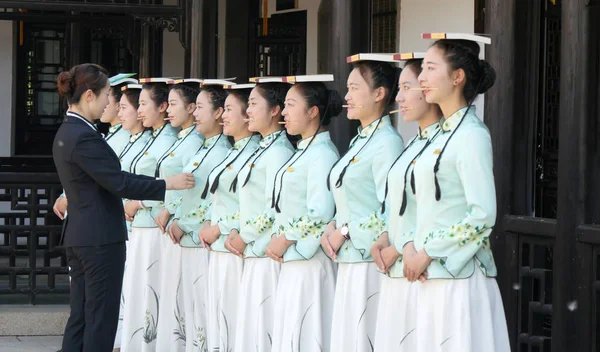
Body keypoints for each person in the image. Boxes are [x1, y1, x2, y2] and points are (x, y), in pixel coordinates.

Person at [52, 63, 194, 352]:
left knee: (81, 317)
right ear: (89, 95)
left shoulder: (69, 131)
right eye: (106, 94)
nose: (110, 103)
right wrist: (166, 184)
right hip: (99, 239)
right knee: (99, 320)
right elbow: (118, 183)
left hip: (81, 235)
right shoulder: (84, 136)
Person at [405, 34, 510, 351]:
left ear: (458, 77)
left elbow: (482, 215)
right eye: (421, 69)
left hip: (458, 280)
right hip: (430, 276)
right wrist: (411, 246)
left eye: (430, 68)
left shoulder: (472, 136)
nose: (421, 78)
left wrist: (428, 252)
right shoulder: (436, 136)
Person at [322, 57, 404, 352]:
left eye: (355, 88)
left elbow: (389, 209)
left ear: (379, 94)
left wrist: (343, 231)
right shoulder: (361, 140)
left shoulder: (387, 142)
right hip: (349, 261)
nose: (346, 96)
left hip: (369, 262)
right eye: (347, 88)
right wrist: (332, 224)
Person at [368, 54, 443, 351]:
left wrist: (404, 246)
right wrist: (386, 236)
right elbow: (400, 204)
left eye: (407, 87)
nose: (399, 98)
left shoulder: (445, 142)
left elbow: (443, 210)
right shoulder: (415, 142)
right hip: (399, 261)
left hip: (420, 262)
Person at [266, 77, 342, 352]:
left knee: (307, 335)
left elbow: (320, 213)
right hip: (293, 259)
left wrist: (286, 238)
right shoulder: (304, 149)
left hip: (309, 261)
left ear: (313, 112)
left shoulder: (322, 154)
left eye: (290, 105)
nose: (284, 112)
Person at [224, 81, 294, 352]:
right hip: (252, 251)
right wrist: (234, 229)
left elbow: (273, 207)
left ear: (274, 110)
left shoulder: (278, 152)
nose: (248, 111)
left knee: (264, 328)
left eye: (254, 104)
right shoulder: (263, 148)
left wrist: (245, 235)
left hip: (266, 253)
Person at [167, 82, 231, 352]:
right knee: (190, 309)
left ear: (218, 113)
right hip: (188, 240)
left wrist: (185, 222)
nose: (195, 114)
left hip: (201, 241)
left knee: (204, 311)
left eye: (201, 108)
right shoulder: (203, 147)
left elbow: (213, 203)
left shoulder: (222, 151)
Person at [199, 83, 260, 351]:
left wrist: (223, 227)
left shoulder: (254, 153)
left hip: (237, 248)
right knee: (219, 320)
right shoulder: (234, 150)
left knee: (235, 321)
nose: (223, 116)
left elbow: (259, 205)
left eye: (230, 110)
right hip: (220, 247)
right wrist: (210, 223)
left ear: (248, 115)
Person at [120, 79, 179, 352]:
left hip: (154, 228)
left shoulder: (169, 140)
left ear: (163, 106)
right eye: (139, 104)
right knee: (137, 292)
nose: (139, 110)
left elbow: (172, 185)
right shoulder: (152, 138)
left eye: (144, 104)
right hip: (138, 228)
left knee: (151, 293)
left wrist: (140, 202)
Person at [154, 81, 205, 352]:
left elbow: (193, 187)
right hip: (173, 227)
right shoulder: (185, 139)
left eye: (175, 105)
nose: (169, 111)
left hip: (186, 229)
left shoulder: (196, 142)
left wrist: (173, 212)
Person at [52, 73, 137, 220]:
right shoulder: (101, 134)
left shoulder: (125, 137)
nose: (103, 103)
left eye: (106, 96)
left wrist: (68, 198)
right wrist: (64, 196)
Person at [113, 83, 151, 351]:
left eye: (124, 107)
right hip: (127, 224)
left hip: (142, 224)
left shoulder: (152, 142)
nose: (118, 111)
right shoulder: (128, 139)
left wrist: (137, 203)